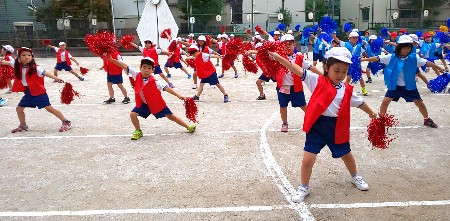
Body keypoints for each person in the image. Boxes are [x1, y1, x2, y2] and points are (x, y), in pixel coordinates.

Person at [268, 47, 377, 202]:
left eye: (344, 71)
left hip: (336, 127)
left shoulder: (347, 90)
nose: (340, 75)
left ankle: (355, 176)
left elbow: (361, 103)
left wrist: (373, 114)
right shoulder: (316, 80)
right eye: (336, 70)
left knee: (346, 154)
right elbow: (295, 68)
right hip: (317, 126)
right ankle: (304, 187)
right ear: (326, 68)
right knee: (307, 159)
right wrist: (279, 58)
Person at [362, 35, 445, 128]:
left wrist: (439, 67)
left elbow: (427, 62)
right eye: (404, 48)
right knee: (385, 102)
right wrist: (364, 59)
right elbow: (377, 58)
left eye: (408, 48)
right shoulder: (391, 57)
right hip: (395, 86)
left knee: (419, 103)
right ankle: (381, 119)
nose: (406, 50)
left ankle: (427, 119)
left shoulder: (414, 58)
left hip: (409, 86)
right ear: (399, 48)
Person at [107, 56, 196, 140]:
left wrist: (178, 95)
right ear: (140, 68)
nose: (146, 70)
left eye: (149, 68)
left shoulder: (155, 82)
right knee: (133, 114)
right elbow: (125, 66)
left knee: (171, 117)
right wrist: (112, 60)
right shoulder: (137, 75)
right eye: (144, 67)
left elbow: (167, 88)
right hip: (144, 104)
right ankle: (138, 131)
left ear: (153, 70)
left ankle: (188, 127)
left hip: (156, 104)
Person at [1, 47, 71, 132]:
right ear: (19, 58)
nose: (26, 57)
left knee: (49, 108)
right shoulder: (16, 65)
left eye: (29, 55)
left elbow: (45, 72)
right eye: (23, 55)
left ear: (32, 57)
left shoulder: (35, 68)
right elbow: (4, 62)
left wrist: (55, 78)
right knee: (19, 108)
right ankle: (23, 125)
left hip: (39, 92)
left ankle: (66, 121)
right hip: (28, 92)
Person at [276, 34, 323, 132]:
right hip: (283, 87)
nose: (287, 46)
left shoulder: (299, 57)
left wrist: (322, 76)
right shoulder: (278, 57)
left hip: (296, 87)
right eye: (284, 44)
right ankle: (284, 123)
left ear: (294, 45)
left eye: (290, 44)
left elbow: (311, 67)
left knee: (303, 105)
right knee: (283, 106)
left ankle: (313, 120)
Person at [332, 31, 369, 96]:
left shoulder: (359, 46)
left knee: (360, 78)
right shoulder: (345, 44)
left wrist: (369, 58)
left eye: (356, 38)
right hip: (348, 64)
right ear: (350, 38)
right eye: (353, 38)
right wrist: (333, 35)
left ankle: (363, 89)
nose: (355, 39)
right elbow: (337, 41)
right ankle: (345, 90)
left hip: (357, 64)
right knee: (348, 77)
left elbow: (364, 53)